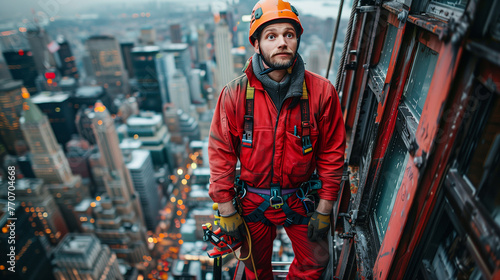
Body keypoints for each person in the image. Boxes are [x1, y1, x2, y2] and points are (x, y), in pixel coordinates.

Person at [208, 0, 346, 278]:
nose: (282, 42)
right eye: (271, 36)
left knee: (316, 263)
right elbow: (221, 153)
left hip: (302, 198)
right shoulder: (234, 94)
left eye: (289, 35)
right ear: (257, 44)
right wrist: (225, 206)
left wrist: (325, 206)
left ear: (296, 40)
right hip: (252, 201)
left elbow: (332, 152)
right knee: (255, 270)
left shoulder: (321, 92)